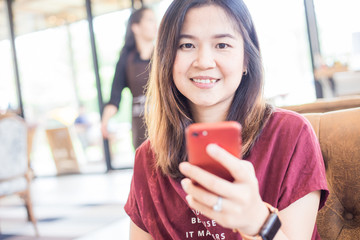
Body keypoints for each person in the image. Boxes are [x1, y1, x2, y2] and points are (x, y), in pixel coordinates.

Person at [125, 0, 329, 239]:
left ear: (246, 59)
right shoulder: (147, 158)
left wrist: (257, 222)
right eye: (187, 45)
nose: (204, 61)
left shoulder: (291, 135)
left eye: (222, 44)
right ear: (167, 58)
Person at [101, 7, 157, 149]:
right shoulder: (126, 59)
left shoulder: (164, 55)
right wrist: (105, 122)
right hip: (140, 128)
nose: (155, 25)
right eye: (150, 20)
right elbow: (114, 98)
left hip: (165, 123)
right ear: (136, 27)